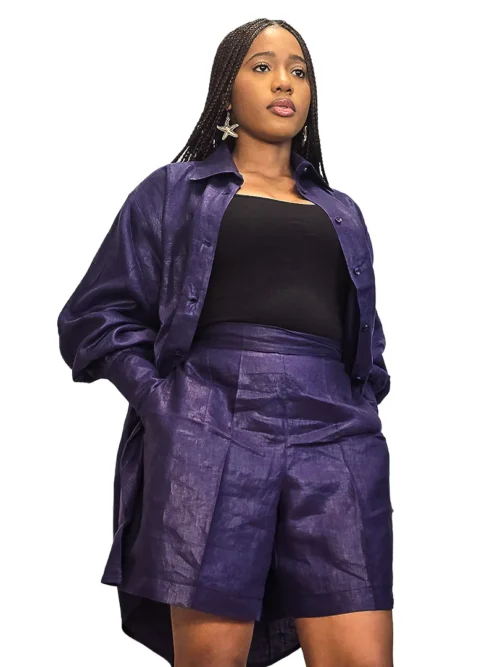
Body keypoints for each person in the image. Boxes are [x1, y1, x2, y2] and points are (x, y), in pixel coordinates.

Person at [57, 17, 394, 667]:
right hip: (210, 427)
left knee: (362, 654)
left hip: (337, 434)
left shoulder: (343, 212)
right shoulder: (173, 192)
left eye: (298, 70)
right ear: (226, 89)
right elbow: (94, 314)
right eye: (262, 66)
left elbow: (366, 339)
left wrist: (361, 403)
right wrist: (164, 403)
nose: (284, 82)